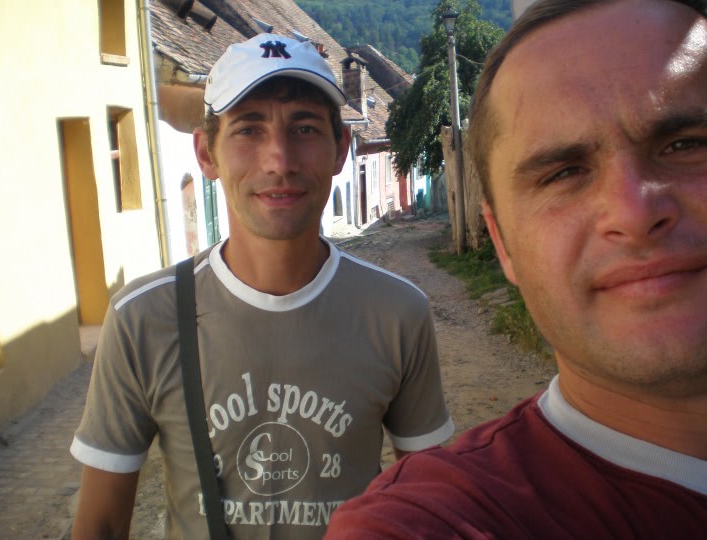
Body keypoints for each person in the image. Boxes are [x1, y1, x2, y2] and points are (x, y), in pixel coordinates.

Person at [325, 0, 707, 537]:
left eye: (686, 144)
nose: (634, 212)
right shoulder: (438, 520)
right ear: (502, 243)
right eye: (563, 173)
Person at [69, 33, 454, 539]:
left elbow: (427, 506)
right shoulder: (142, 320)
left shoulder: (397, 313)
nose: (279, 160)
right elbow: (99, 524)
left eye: (305, 128)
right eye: (249, 129)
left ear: (341, 149)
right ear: (206, 154)